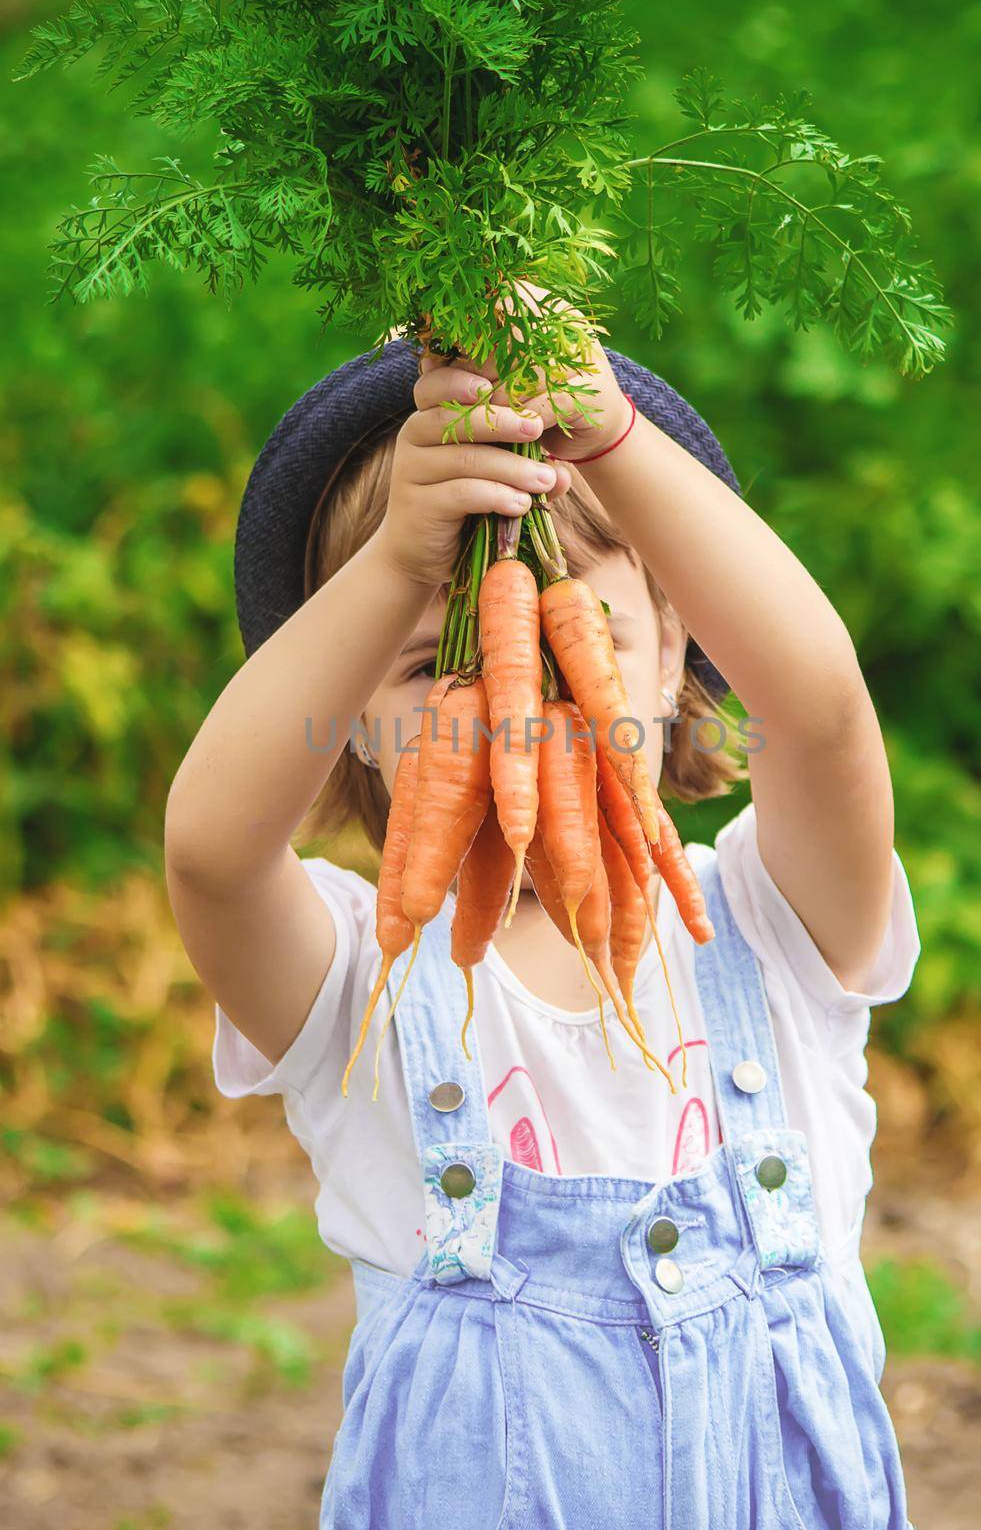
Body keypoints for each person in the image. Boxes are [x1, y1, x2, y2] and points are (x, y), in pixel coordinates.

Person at [164, 289, 921, 1529]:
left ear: (679, 652)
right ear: (347, 715)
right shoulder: (358, 972)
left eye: (589, 646)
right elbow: (208, 853)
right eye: (424, 667)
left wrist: (614, 437)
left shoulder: (775, 920)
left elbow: (822, 706)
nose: (520, 705)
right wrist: (402, 557)